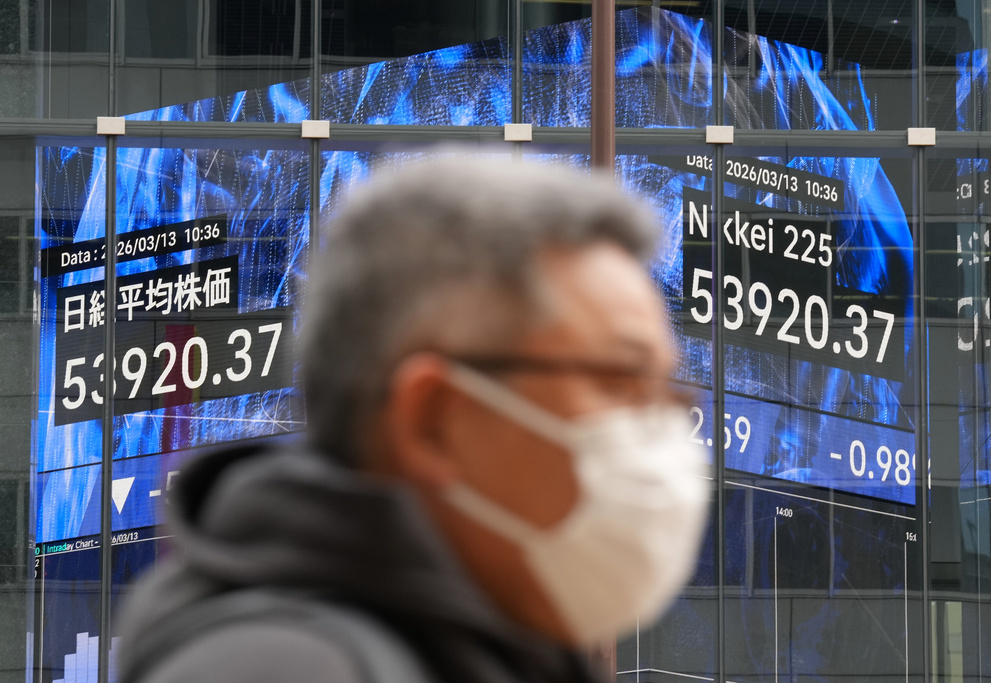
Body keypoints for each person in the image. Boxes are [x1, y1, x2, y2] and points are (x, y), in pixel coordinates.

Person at [116, 155, 709, 683]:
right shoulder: (287, 669)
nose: (664, 427)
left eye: (669, 391)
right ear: (433, 419)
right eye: (618, 378)